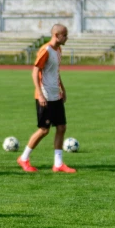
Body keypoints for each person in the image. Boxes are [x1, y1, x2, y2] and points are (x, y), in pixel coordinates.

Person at [17, 24, 76, 174]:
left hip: (56, 95)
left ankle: (58, 164)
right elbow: (35, 72)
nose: (67, 38)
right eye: (65, 35)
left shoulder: (58, 50)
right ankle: (24, 158)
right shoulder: (46, 50)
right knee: (44, 130)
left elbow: (55, 72)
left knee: (61, 127)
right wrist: (40, 94)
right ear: (56, 35)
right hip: (45, 96)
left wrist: (62, 89)